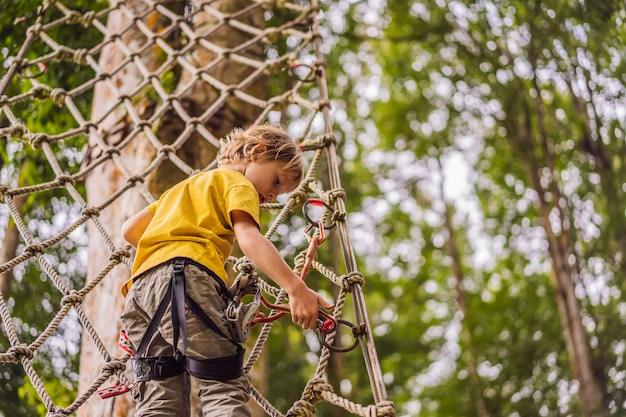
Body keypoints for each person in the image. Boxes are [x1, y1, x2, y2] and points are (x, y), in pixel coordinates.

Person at [119, 124, 332, 417]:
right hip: (184, 279)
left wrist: (166, 246)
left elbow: (129, 230)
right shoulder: (238, 183)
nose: (272, 195)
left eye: (279, 193)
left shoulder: (182, 189)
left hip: (140, 294)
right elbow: (249, 239)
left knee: (159, 398)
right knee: (222, 384)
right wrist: (296, 288)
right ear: (256, 152)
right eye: (276, 181)